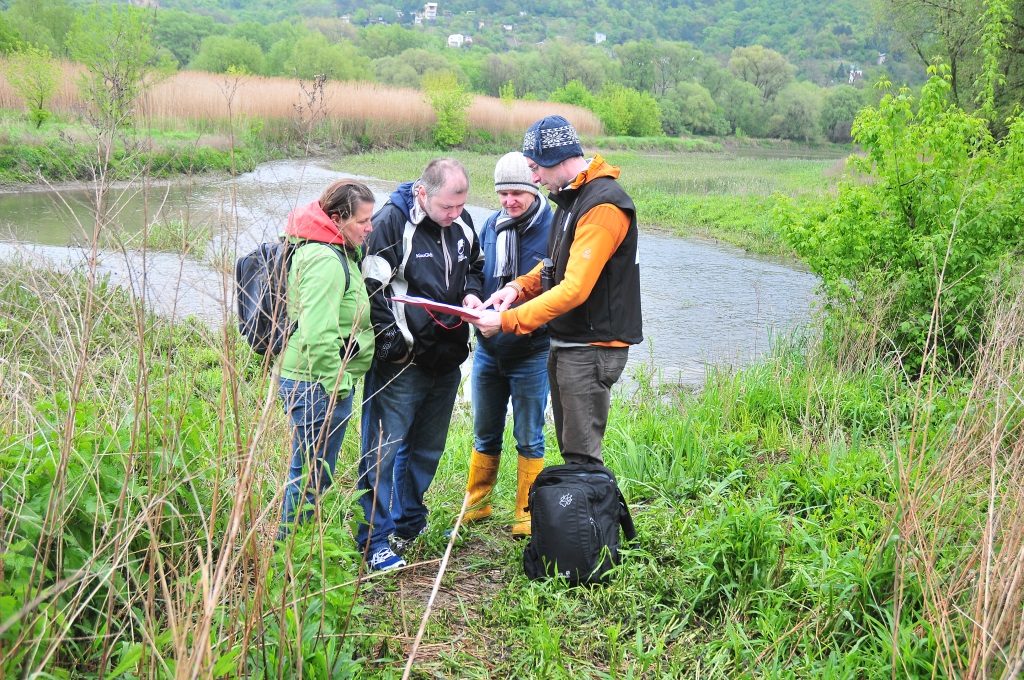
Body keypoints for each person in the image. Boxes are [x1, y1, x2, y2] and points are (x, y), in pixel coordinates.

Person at [472, 115, 643, 468]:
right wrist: (517, 288)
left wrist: (507, 321)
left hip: (592, 348)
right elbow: (554, 264)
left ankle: (591, 506)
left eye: (536, 168)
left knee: (581, 457)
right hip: (570, 343)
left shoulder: (602, 206)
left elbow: (574, 290)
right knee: (571, 449)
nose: (534, 178)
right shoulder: (571, 200)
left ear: (558, 159)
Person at [357, 158, 485, 571]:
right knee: (381, 451)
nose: (454, 214)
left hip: (447, 358)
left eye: (460, 206)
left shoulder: (462, 222)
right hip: (402, 363)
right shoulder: (390, 223)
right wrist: (393, 344)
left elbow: (476, 267)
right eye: (447, 206)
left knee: (426, 449)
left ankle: (409, 523)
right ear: (422, 193)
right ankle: (372, 541)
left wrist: (471, 293)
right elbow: (369, 289)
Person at [276, 179, 377, 540]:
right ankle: (289, 553)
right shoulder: (325, 260)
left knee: (310, 475)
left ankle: (293, 548)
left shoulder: (332, 249)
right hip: (317, 384)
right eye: (363, 221)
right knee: (310, 479)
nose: (370, 228)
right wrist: (339, 384)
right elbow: (318, 336)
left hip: (312, 380)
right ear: (337, 219)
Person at [463, 152, 554, 538]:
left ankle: (526, 514)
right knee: (485, 431)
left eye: (516, 193)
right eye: (503, 193)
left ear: (534, 187)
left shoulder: (554, 229)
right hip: (488, 348)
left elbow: (556, 292)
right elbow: (475, 269)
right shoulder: (491, 224)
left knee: (529, 436)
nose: (509, 201)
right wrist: (471, 295)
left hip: (532, 351)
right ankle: (477, 505)